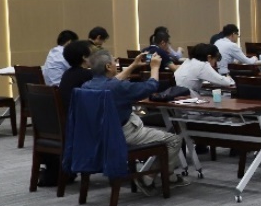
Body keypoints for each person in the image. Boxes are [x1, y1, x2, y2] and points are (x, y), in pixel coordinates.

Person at [82, 50, 189, 187]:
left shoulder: (86, 86)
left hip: (97, 136)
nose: (116, 64)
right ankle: (149, 178)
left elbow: (112, 83)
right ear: (108, 66)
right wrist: (154, 67)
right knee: (174, 140)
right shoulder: (118, 87)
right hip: (122, 135)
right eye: (114, 62)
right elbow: (150, 87)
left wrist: (133, 66)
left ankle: (170, 176)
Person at [38, 40, 93, 187]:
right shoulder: (86, 75)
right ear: (84, 57)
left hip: (61, 125)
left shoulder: (68, 74)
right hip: (77, 127)